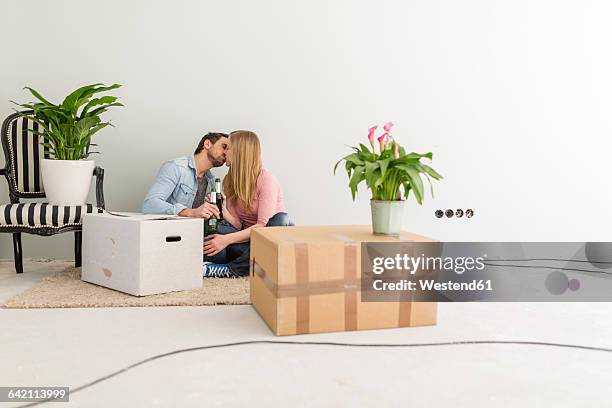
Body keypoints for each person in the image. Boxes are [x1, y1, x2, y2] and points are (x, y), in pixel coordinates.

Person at [203, 130, 293, 278]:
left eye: (228, 148)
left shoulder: (266, 180)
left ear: (239, 152)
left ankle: (232, 269)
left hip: (270, 243)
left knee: (281, 219)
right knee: (214, 226)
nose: (224, 152)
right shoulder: (229, 180)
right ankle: (241, 264)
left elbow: (263, 227)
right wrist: (224, 212)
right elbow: (238, 225)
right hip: (248, 244)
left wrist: (225, 240)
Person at [142, 132, 228, 219]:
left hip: (194, 230)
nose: (226, 152)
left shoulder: (212, 180)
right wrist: (191, 212)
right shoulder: (175, 167)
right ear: (207, 144)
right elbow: (150, 204)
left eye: (228, 149)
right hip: (169, 230)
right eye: (224, 147)